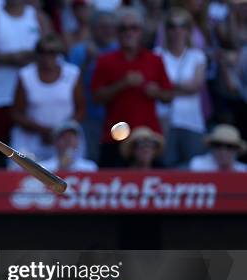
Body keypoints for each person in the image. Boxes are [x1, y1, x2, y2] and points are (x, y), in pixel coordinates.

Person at [92, 7, 173, 167]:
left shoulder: (155, 60)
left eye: (134, 28)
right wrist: (122, 84)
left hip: (148, 138)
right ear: (117, 32)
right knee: (111, 186)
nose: (129, 32)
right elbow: (96, 98)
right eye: (123, 28)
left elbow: (168, 96)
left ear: (141, 32)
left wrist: (156, 92)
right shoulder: (105, 61)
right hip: (115, 137)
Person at [0, 0, 48, 165]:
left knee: (31, 154)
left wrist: (30, 56)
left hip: (33, 98)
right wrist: (11, 58)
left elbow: (51, 45)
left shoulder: (37, 16)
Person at [10, 33, 85, 167]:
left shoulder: (72, 73)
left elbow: (80, 109)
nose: (47, 56)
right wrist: (42, 130)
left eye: (52, 52)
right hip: (32, 139)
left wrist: (62, 132)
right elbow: (16, 113)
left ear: (59, 54)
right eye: (43, 52)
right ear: (37, 54)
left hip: (66, 140)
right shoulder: (25, 75)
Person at [155, 8, 207, 167]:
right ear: (166, 30)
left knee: (193, 167)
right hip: (164, 121)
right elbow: (154, 86)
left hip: (192, 121)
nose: (177, 30)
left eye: (182, 25)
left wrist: (166, 87)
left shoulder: (197, 55)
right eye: (172, 26)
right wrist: (181, 87)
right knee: (166, 166)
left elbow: (196, 86)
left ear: (188, 30)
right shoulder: (157, 54)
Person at [68, 9, 118, 161]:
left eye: (110, 27)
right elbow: (71, 83)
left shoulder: (118, 49)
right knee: (90, 157)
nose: (107, 31)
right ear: (92, 28)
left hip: (113, 114)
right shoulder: (79, 51)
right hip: (87, 114)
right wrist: (87, 61)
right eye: (102, 27)